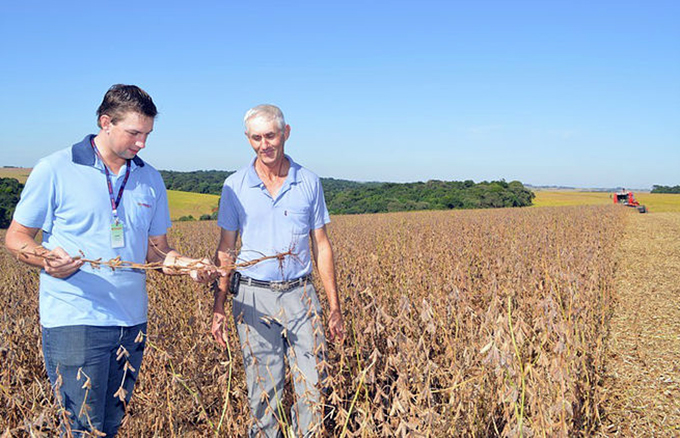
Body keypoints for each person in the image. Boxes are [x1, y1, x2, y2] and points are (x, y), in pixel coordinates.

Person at [4, 84, 215, 437]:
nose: (142, 143)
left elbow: (157, 251)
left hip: (131, 324)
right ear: (105, 122)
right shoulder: (55, 168)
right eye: (134, 133)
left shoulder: (149, 178)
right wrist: (45, 258)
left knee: (112, 425)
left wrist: (188, 265)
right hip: (75, 320)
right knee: (82, 428)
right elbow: (16, 238)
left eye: (147, 134)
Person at [211, 104, 345, 437]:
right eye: (256, 138)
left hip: (302, 295)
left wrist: (333, 307)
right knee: (263, 392)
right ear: (247, 138)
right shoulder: (235, 185)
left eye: (270, 135)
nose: (264, 144)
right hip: (252, 298)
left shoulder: (309, 182)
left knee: (313, 387)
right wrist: (218, 307)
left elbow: (322, 245)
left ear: (286, 133)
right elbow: (226, 249)